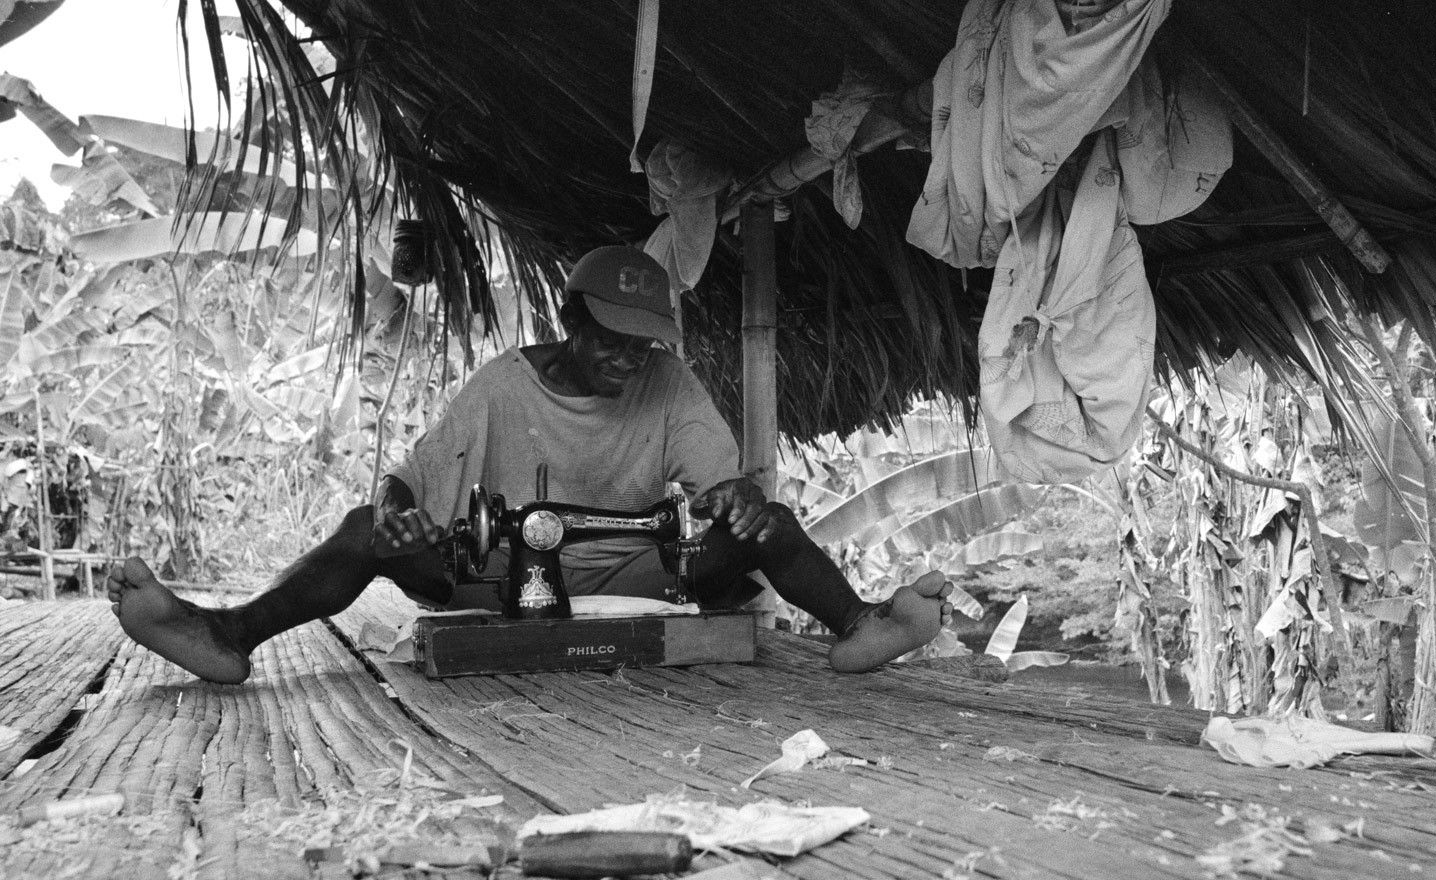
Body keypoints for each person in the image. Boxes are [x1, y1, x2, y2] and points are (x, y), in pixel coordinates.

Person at [107, 245, 950, 683]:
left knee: (774, 525)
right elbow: (413, 474)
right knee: (368, 531)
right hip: (500, 575)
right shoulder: (500, 388)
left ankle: (858, 624)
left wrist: (738, 506)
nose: (628, 362)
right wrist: (400, 512)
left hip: (635, 574)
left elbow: (717, 485)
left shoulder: (669, 383)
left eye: (642, 347)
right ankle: (225, 633)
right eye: (609, 344)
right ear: (569, 321)